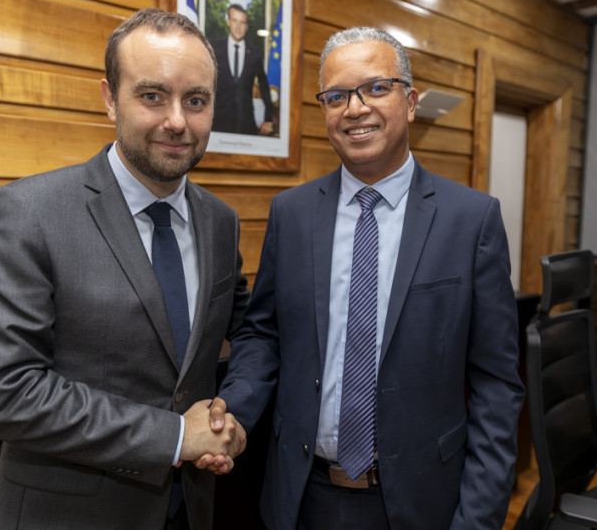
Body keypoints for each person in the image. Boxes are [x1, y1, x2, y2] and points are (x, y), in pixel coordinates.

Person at [212, 26, 525, 529]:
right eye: (336, 96)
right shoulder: (290, 214)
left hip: (422, 502)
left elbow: (496, 386)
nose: (355, 109)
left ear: (411, 101)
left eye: (376, 88)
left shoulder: (472, 220)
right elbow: (263, 334)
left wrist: (479, 519)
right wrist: (234, 410)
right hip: (300, 496)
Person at [0, 8, 249, 530]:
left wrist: (232, 419)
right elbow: (0, 390)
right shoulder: (28, 212)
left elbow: (248, 331)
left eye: (196, 100)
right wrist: (176, 437)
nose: (178, 121)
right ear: (111, 98)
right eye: (153, 95)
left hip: (191, 507)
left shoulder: (220, 222)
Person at [211, 3, 275, 135]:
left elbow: (264, 87)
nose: (238, 26)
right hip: (217, 123)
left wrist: (268, 119)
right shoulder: (214, 48)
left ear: (246, 27)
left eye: (242, 22)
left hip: (245, 124)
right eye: (235, 20)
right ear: (228, 22)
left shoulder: (255, 54)